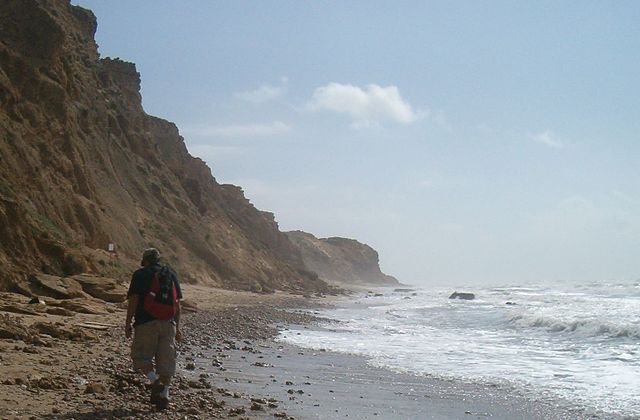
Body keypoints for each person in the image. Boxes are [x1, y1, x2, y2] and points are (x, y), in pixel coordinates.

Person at [125, 248, 182, 410]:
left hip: (146, 323)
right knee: (166, 362)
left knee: (141, 357)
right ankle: (164, 396)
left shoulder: (140, 274)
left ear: (145, 261)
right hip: (168, 324)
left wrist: (128, 323)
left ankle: (153, 380)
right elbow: (177, 304)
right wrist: (177, 328)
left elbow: (134, 300)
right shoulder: (171, 274)